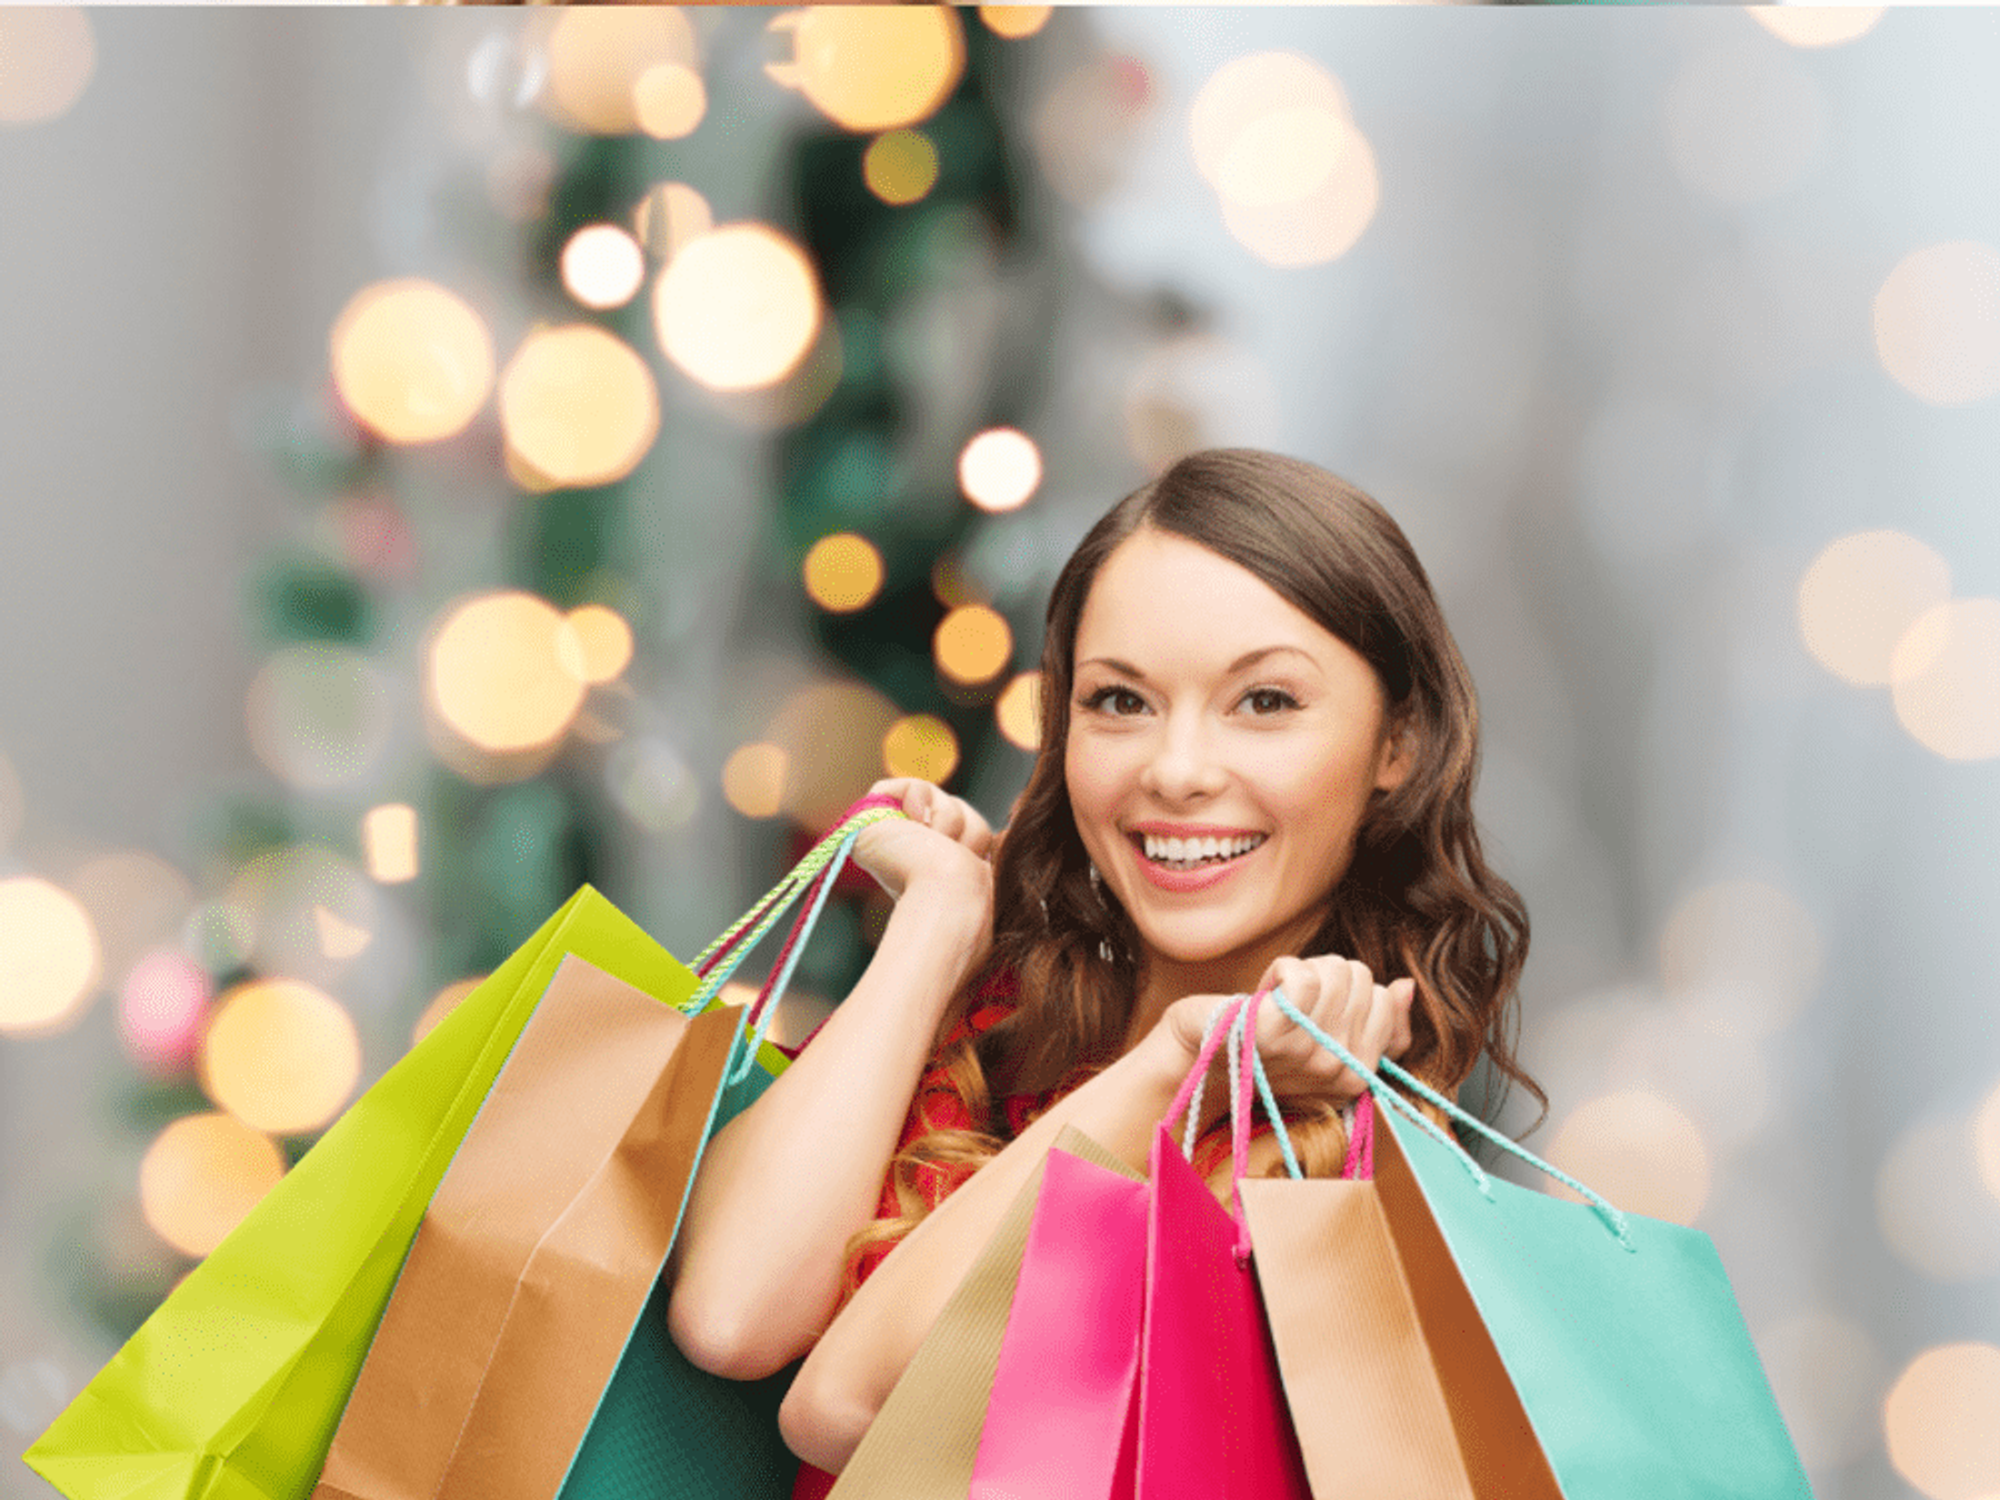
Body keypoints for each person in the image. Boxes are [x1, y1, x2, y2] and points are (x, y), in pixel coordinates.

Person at [666, 448, 1538, 1491]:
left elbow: (848, 1411)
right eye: (1119, 702)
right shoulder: (1009, 1026)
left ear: (1396, 742)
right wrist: (936, 930)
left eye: (1262, 702)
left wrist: (1173, 1070)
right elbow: (728, 1319)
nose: (1174, 771)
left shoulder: (1342, 1180)